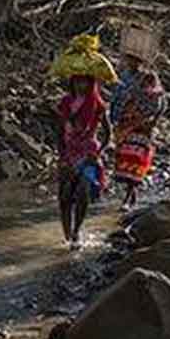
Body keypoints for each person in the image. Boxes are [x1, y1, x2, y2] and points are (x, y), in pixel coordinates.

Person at [57, 75, 113, 249]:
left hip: (89, 153)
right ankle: (67, 233)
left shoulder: (97, 103)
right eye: (77, 81)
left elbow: (108, 133)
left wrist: (99, 152)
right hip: (69, 152)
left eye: (85, 82)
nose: (81, 85)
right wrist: (61, 155)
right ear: (71, 82)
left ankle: (76, 232)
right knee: (65, 195)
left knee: (83, 190)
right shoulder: (66, 103)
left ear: (91, 83)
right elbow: (59, 131)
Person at [110, 53, 166, 210]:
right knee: (124, 159)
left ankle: (128, 196)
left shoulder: (148, 77)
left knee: (136, 159)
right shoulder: (124, 76)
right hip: (125, 125)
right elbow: (117, 98)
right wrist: (115, 119)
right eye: (130, 59)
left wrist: (153, 122)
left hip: (143, 126)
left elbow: (160, 102)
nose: (133, 63)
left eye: (136, 60)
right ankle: (130, 194)